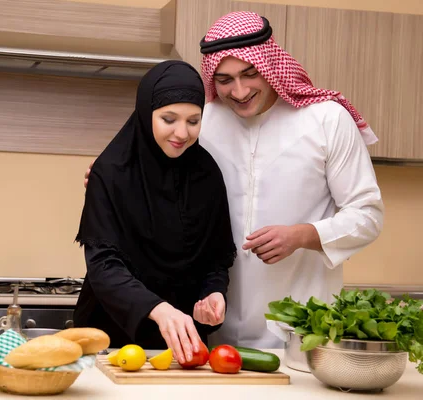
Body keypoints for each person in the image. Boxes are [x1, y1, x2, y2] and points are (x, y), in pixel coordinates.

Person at [84, 11, 384, 349]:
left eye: (250, 73)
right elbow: (149, 162)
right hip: (212, 330)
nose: (239, 91)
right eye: (224, 79)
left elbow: (368, 214)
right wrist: (112, 177)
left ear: (270, 64)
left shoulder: (326, 120)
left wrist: (304, 234)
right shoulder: (203, 121)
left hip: (301, 328)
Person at [73, 60, 237, 364]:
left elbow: (215, 261)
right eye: (169, 119)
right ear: (146, 112)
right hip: (109, 338)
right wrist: (159, 309)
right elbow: (104, 266)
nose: (182, 133)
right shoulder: (109, 172)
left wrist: (213, 294)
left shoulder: (207, 175)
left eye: (193, 120)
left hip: (183, 344)